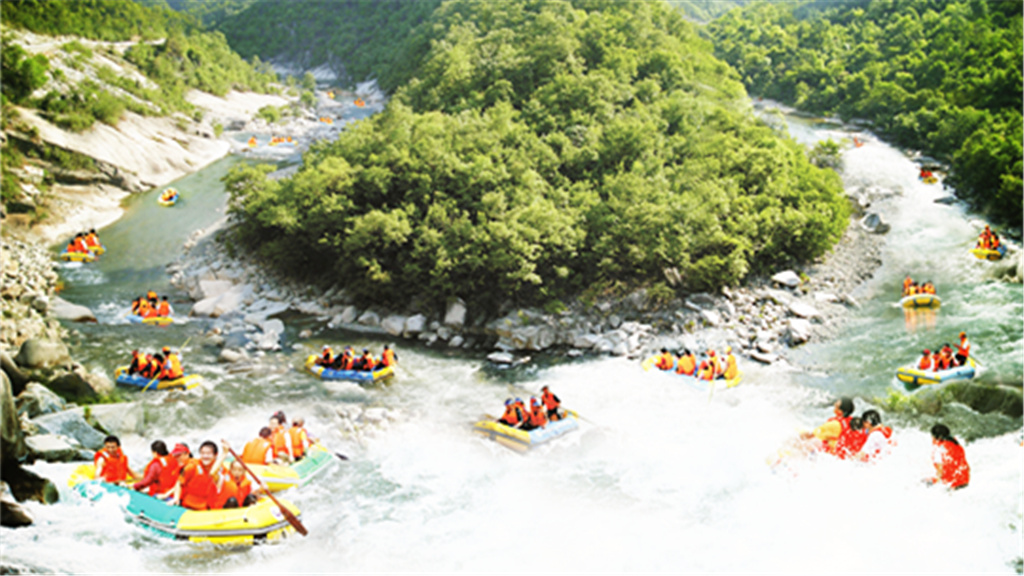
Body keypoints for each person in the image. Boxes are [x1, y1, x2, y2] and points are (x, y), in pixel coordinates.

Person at [174, 440, 226, 510]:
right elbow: (179, 482)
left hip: (208, 507)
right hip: (189, 506)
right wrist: (176, 498)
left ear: (216, 454)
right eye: (203, 453)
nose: (205, 456)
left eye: (208, 453)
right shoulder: (192, 466)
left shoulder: (221, 468)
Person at [928, 424, 969, 490]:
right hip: (964, 481)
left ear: (937, 437)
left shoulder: (939, 448)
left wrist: (936, 486)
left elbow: (940, 470)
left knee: (923, 483)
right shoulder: (956, 444)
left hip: (951, 484)